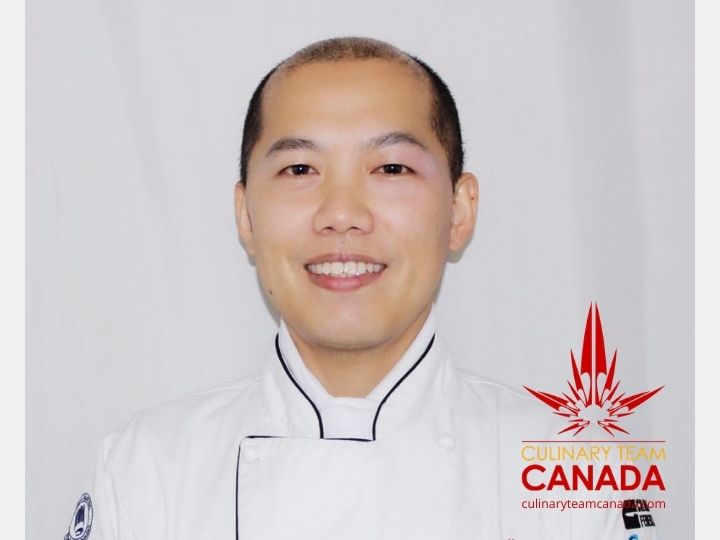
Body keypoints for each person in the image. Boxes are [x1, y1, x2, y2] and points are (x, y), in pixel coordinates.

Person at [64, 37, 659, 539]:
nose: (342, 214)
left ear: (459, 209)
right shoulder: (146, 470)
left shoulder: (580, 476)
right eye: (300, 169)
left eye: (391, 168)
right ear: (246, 215)